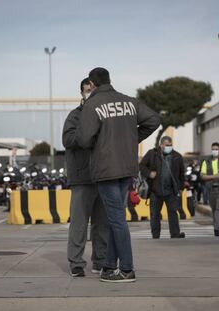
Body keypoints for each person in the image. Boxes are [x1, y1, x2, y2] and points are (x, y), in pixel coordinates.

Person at [76, 67, 160, 283]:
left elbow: (83, 139)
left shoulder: (92, 104)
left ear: (92, 84)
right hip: (126, 168)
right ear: (109, 80)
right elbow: (153, 120)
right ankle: (109, 265)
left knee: (117, 220)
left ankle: (127, 269)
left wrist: (101, 143)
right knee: (116, 219)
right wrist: (134, 138)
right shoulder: (129, 101)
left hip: (106, 170)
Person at [62, 78, 109, 277]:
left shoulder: (105, 114)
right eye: (86, 90)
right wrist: (89, 133)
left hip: (103, 176)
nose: (90, 93)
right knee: (79, 224)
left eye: (93, 89)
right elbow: (68, 139)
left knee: (102, 225)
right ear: (81, 93)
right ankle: (76, 263)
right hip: (82, 178)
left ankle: (100, 261)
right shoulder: (75, 115)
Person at [139, 136, 186, 239]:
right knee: (155, 214)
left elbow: (182, 173)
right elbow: (141, 165)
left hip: (171, 191)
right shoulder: (152, 154)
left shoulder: (177, 156)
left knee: (173, 213)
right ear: (161, 145)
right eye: (167, 145)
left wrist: (181, 188)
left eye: (170, 145)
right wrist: (149, 173)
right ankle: (155, 235)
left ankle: (175, 234)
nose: (169, 147)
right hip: (155, 191)